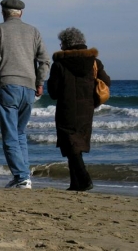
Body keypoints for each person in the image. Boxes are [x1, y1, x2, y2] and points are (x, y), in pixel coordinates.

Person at [0, 0, 50, 189]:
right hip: (29, 87)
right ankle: (23, 176)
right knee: (20, 133)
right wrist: (40, 82)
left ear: (3, 12)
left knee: (11, 135)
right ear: (21, 13)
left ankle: (22, 176)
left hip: (8, 84)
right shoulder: (33, 31)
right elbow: (45, 60)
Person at [47, 27, 110, 191]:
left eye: (62, 43)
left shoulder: (59, 64)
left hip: (66, 108)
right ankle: (75, 183)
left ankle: (84, 179)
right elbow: (106, 82)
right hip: (87, 108)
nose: (60, 46)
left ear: (67, 44)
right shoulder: (94, 62)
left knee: (70, 145)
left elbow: (53, 92)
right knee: (76, 145)